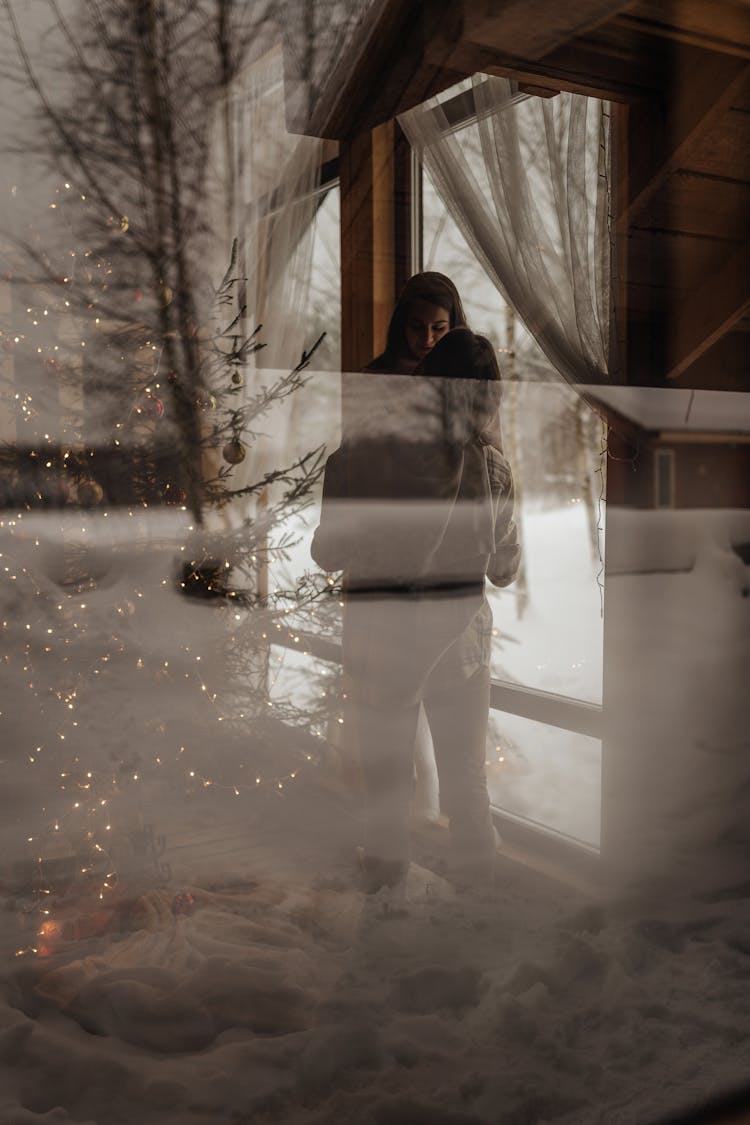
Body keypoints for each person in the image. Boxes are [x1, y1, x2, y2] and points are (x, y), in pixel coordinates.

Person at [311, 287, 520, 893]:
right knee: (466, 777)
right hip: (458, 642)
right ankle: (478, 896)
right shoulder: (493, 468)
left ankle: (385, 892)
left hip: (383, 639)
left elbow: (328, 550)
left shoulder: (362, 456)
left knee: (385, 778)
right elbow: (505, 569)